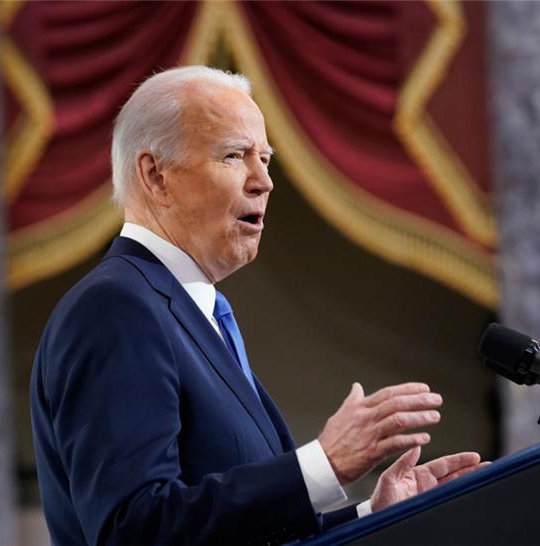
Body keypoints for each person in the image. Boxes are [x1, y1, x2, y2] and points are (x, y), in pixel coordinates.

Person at [30, 65, 484, 545]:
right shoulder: (116, 309)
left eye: (265, 159)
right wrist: (323, 465)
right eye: (234, 156)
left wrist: (375, 514)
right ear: (155, 176)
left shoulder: (194, 315)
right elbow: (135, 528)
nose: (263, 182)